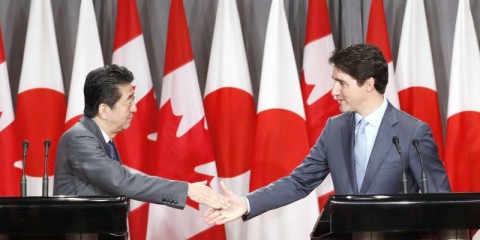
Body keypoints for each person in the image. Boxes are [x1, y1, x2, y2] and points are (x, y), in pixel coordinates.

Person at [204, 43, 451, 224]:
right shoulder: (335, 128)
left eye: (342, 83)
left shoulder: (413, 132)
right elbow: (299, 182)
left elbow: (442, 203)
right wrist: (246, 203)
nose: (334, 91)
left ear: (368, 84)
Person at [53, 64, 228, 210]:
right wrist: (186, 190)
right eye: (129, 101)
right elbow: (120, 181)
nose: (135, 108)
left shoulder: (101, 139)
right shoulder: (79, 139)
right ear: (104, 110)